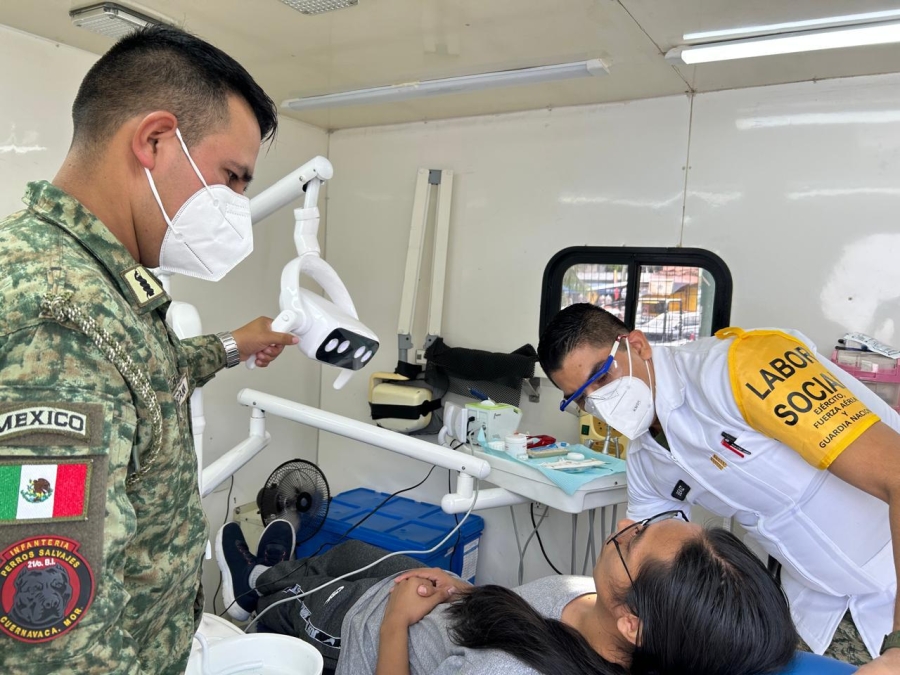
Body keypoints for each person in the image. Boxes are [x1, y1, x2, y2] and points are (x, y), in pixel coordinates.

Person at [0, 25, 298, 674]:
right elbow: (52, 636)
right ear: (155, 140)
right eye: (233, 177)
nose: (237, 207)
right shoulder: (60, 314)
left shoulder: (92, 282)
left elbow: (139, 371)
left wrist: (234, 344)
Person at [538, 303, 900, 672]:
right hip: (817, 601)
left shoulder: (741, 368)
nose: (598, 399)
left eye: (601, 375)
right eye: (582, 397)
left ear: (638, 344)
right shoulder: (647, 460)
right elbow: (642, 571)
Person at [215, 512, 798, 675]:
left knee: (294, 597)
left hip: (369, 631)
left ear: (634, 626)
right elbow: (523, 613)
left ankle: (255, 590)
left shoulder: (506, 671)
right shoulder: (594, 606)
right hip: (440, 600)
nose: (621, 530)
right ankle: (284, 567)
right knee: (340, 556)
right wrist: (467, 591)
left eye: (633, 543)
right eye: (646, 522)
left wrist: (395, 621)